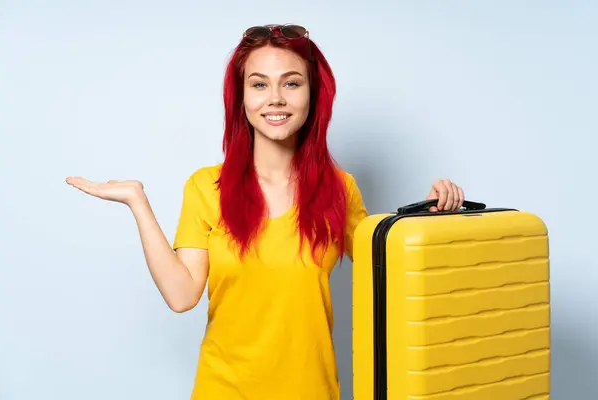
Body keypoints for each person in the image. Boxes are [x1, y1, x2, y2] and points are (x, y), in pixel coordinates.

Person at [66, 24, 465, 400]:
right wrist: (138, 203)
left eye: (291, 83)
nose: (275, 98)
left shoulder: (339, 190)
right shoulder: (207, 187)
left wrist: (428, 218)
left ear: (313, 93)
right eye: (259, 84)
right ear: (241, 97)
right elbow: (182, 294)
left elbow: (391, 274)